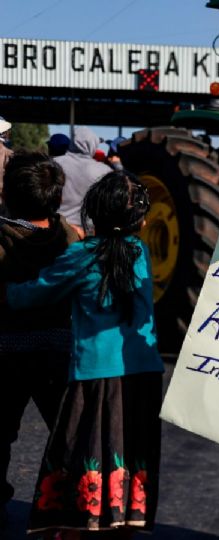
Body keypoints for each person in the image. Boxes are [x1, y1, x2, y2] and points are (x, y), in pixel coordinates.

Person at [2, 171, 164, 537]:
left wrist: (7, 290)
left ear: (94, 212)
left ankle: (82, 524)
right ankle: (121, 519)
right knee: (127, 446)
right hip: (143, 371)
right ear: (142, 219)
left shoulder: (81, 254)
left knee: (87, 446)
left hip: (95, 374)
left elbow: (35, 293)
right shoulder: (140, 253)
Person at [0, 153, 78, 530]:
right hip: (58, 350)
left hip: (6, 351)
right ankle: (69, 501)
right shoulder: (67, 236)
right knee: (64, 433)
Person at [54, 126, 112, 235]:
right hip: (88, 232)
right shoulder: (104, 171)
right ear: (93, 145)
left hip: (57, 228)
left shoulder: (54, 164)